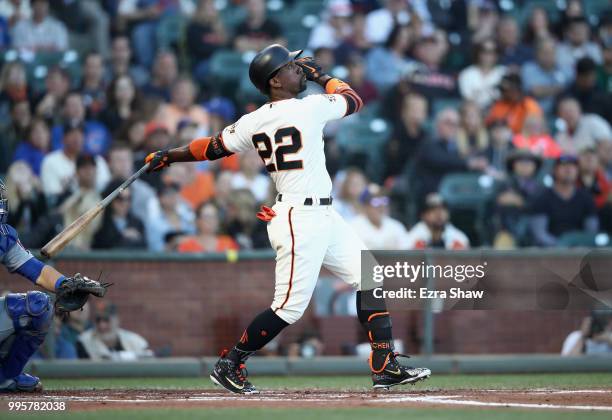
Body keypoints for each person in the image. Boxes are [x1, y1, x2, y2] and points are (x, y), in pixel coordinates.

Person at [145, 44, 431, 393]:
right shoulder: (308, 107)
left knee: (369, 274)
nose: (300, 70)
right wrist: (321, 76)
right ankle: (230, 363)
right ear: (275, 80)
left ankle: (384, 364)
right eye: (292, 68)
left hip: (322, 212)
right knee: (289, 308)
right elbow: (353, 99)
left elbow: (212, 147)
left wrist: (169, 155)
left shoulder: (254, 119)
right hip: (300, 216)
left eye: (299, 67)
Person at [0, 178, 107, 391]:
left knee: (39, 306)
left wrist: (64, 283)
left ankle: (6, 378)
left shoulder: (2, 235)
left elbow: (35, 269)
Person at [415, 108, 488, 203]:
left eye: (456, 124)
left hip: (455, 192)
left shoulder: (457, 147)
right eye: (448, 123)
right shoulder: (429, 142)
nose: (452, 127)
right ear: (438, 123)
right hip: (430, 193)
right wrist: (469, 163)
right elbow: (441, 160)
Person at [530, 155, 599, 247]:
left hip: (581, 251)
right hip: (550, 252)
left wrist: (579, 246)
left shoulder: (586, 197)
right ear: (554, 170)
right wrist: (561, 246)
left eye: (573, 166)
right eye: (563, 166)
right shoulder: (542, 197)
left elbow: (591, 231)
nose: (568, 169)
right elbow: (539, 234)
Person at [77, 303, 151, 361]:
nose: (102, 326)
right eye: (98, 320)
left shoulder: (135, 340)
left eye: (106, 320)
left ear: (117, 321)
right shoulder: (84, 342)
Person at [521, 38, 571, 115]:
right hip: (535, 114)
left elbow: (571, 88)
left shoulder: (564, 69)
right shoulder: (528, 69)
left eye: (551, 52)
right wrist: (559, 88)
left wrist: (547, 89)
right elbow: (535, 91)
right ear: (537, 54)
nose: (548, 56)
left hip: (560, 115)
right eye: (545, 52)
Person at [405, 193, 469, 250]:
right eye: (432, 210)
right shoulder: (413, 238)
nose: (438, 214)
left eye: (443, 209)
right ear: (423, 215)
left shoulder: (458, 237)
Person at [92, 182, 146, 250]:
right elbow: (99, 246)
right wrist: (122, 236)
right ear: (111, 200)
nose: (125, 203)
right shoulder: (101, 223)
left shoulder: (138, 223)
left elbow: (144, 248)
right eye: (120, 199)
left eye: (128, 198)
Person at [458, 39, 505, 109]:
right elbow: (468, 99)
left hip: (498, 111)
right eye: (484, 51)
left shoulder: (504, 72)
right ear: (478, 53)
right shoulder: (467, 74)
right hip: (474, 112)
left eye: (492, 51)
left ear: (497, 54)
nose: (488, 55)